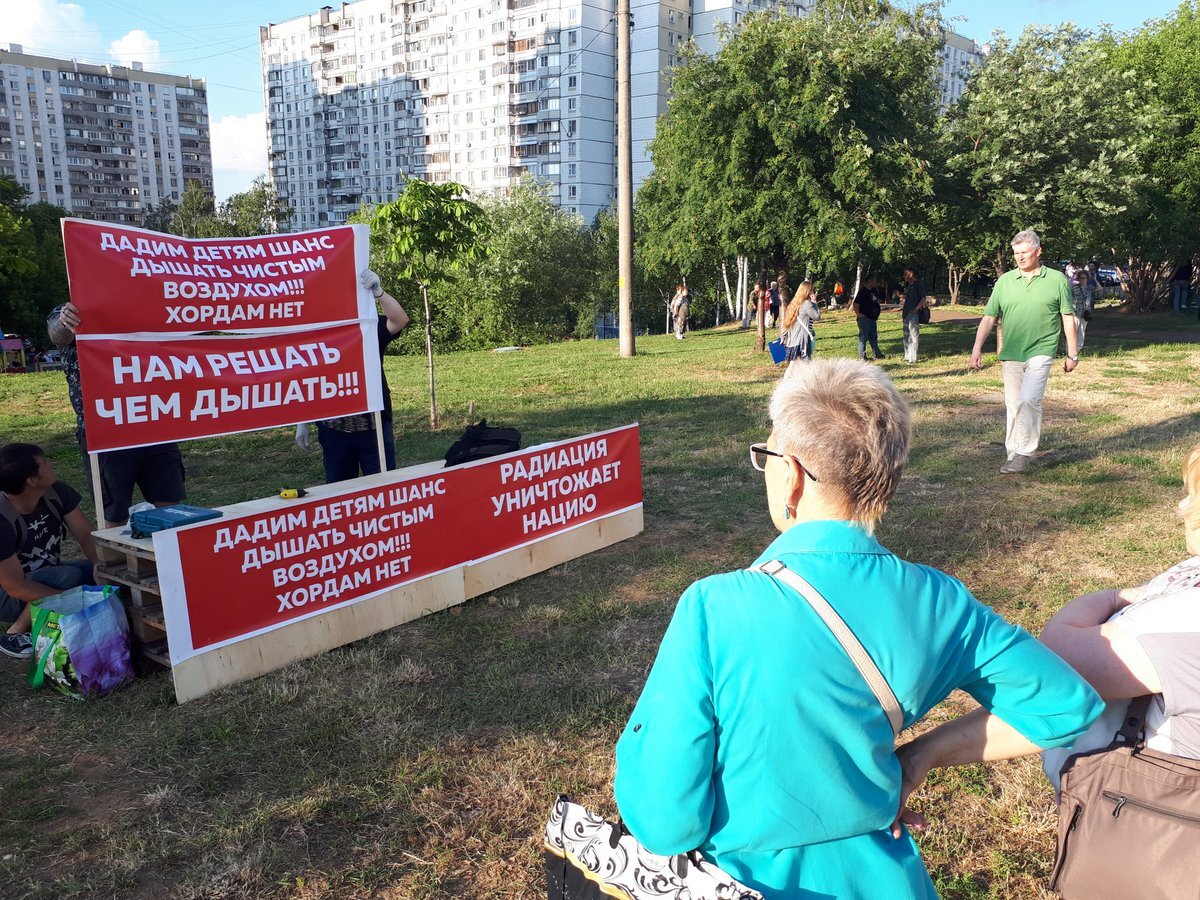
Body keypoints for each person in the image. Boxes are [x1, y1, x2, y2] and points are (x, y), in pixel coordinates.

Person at [613, 358, 1102, 900]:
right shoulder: (940, 600)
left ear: (792, 474)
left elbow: (664, 821)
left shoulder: (714, 606)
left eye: (767, 454)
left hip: (744, 881)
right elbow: (1063, 706)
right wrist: (922, 756)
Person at [900, 442, 1200, 834]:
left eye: (1193, 495)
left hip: (1154, 829)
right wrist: (926, 752)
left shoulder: (1185, 618)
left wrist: (1114, 597)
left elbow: (1059, 671)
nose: (1181, 508)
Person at [47, 303, 186, 526]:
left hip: (154, 422)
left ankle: (168, 559)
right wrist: (66, 321)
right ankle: (117, 561)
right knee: (113, 515)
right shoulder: (77, 303)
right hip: (107, 429)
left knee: (172, 509)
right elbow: (58, 334)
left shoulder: (145, 303)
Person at [969, 230, 1078, 475]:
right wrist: (977, 349)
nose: (1019, 257)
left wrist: (1073, 353)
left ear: (1038, 251)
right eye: (1016, 253)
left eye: (1024, 252)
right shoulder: (1005, 281)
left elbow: (1067, 317)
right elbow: (989, 318)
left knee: (1029, 399)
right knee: (1013, 403)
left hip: (1042, 349)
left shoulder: (1057, 280)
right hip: (1012, 352)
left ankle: (1024, 452)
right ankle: (1012, 452)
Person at [296, 269, 410, 483]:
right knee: (339, 493)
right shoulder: (317, 335)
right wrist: (303, 420)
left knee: (382, 490)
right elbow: (309, 377)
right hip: (334, 432)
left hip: (373, 429)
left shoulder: (368, 329)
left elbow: (399, 320)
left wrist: (379, 292)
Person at [0, 444, 98, 659]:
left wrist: (102, 569)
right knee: (69, 577)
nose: (51, 464)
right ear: (32, 481)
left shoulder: (56, 492)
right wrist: (71, 600)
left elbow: (86, 537)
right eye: (44, 463)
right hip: (7, 596)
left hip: (47, 574)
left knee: (94, 570)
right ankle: (15, 632)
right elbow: (14, 586)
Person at [779, 280, 819, 365]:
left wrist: (783, 335)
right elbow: (817, 316)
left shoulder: (794, 303)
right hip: (802, 340)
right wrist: (815, 303)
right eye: (811, 290)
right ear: (807, 291)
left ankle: (788, 378)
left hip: (793, 340)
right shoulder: (807, 304)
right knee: (805, 364)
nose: (812, 292)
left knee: (793, 364)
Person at [852, 274, 885, 360]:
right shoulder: (862, 292)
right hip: (864, 318)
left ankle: (877, 353)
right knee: (863, 337)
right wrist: (858, 314)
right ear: (869, 281)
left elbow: (875, 300)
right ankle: (862, 356)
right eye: (874, 280)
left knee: (873, 337)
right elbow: (855, 304)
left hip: (872, 318)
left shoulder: (874, 291)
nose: (876, 282)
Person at [900, 267, 928, 364]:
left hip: (913, 314)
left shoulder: (918, 285)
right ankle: (907, 355)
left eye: (906, 274)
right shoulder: (908, 286)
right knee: (906, 335)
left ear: (911, 274)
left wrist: (916, 309)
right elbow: (907, 298)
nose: (905, 276)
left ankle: (913, 357)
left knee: (913, 336)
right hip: (906, 313)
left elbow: (923, 298)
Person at [1069, 268, 1092, 351]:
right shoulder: (1074, 287)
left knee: (1082, 331)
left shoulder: (1089, 288)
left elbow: (1099, 288)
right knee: (1073, 331)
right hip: (1075, 312)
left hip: (1085, 313)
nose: (1083, 280)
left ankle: (1078, 348)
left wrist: (1095, 279)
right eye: (1081, 278)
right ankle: (1070, 349)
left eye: (1084, 278)